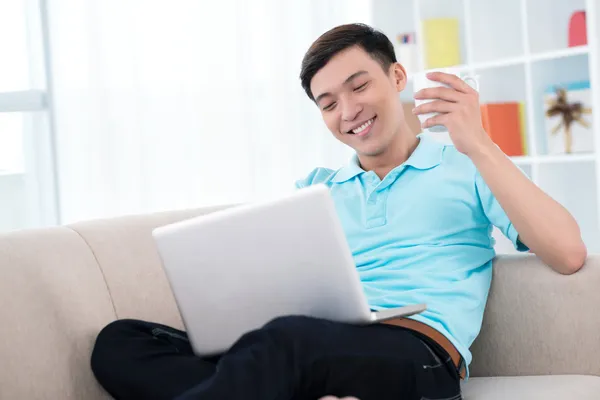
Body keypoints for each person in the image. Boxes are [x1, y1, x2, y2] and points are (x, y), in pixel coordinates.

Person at [90, 23, 587, 400]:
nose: (348, 111)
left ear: (397, 77)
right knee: (121, 341)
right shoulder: (315, 189)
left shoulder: (467, 166)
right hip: (314, 345)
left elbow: (567, 252)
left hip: (418, 355)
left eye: (359, 86)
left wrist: (479, 144)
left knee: (284, 342)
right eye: (328, 103)